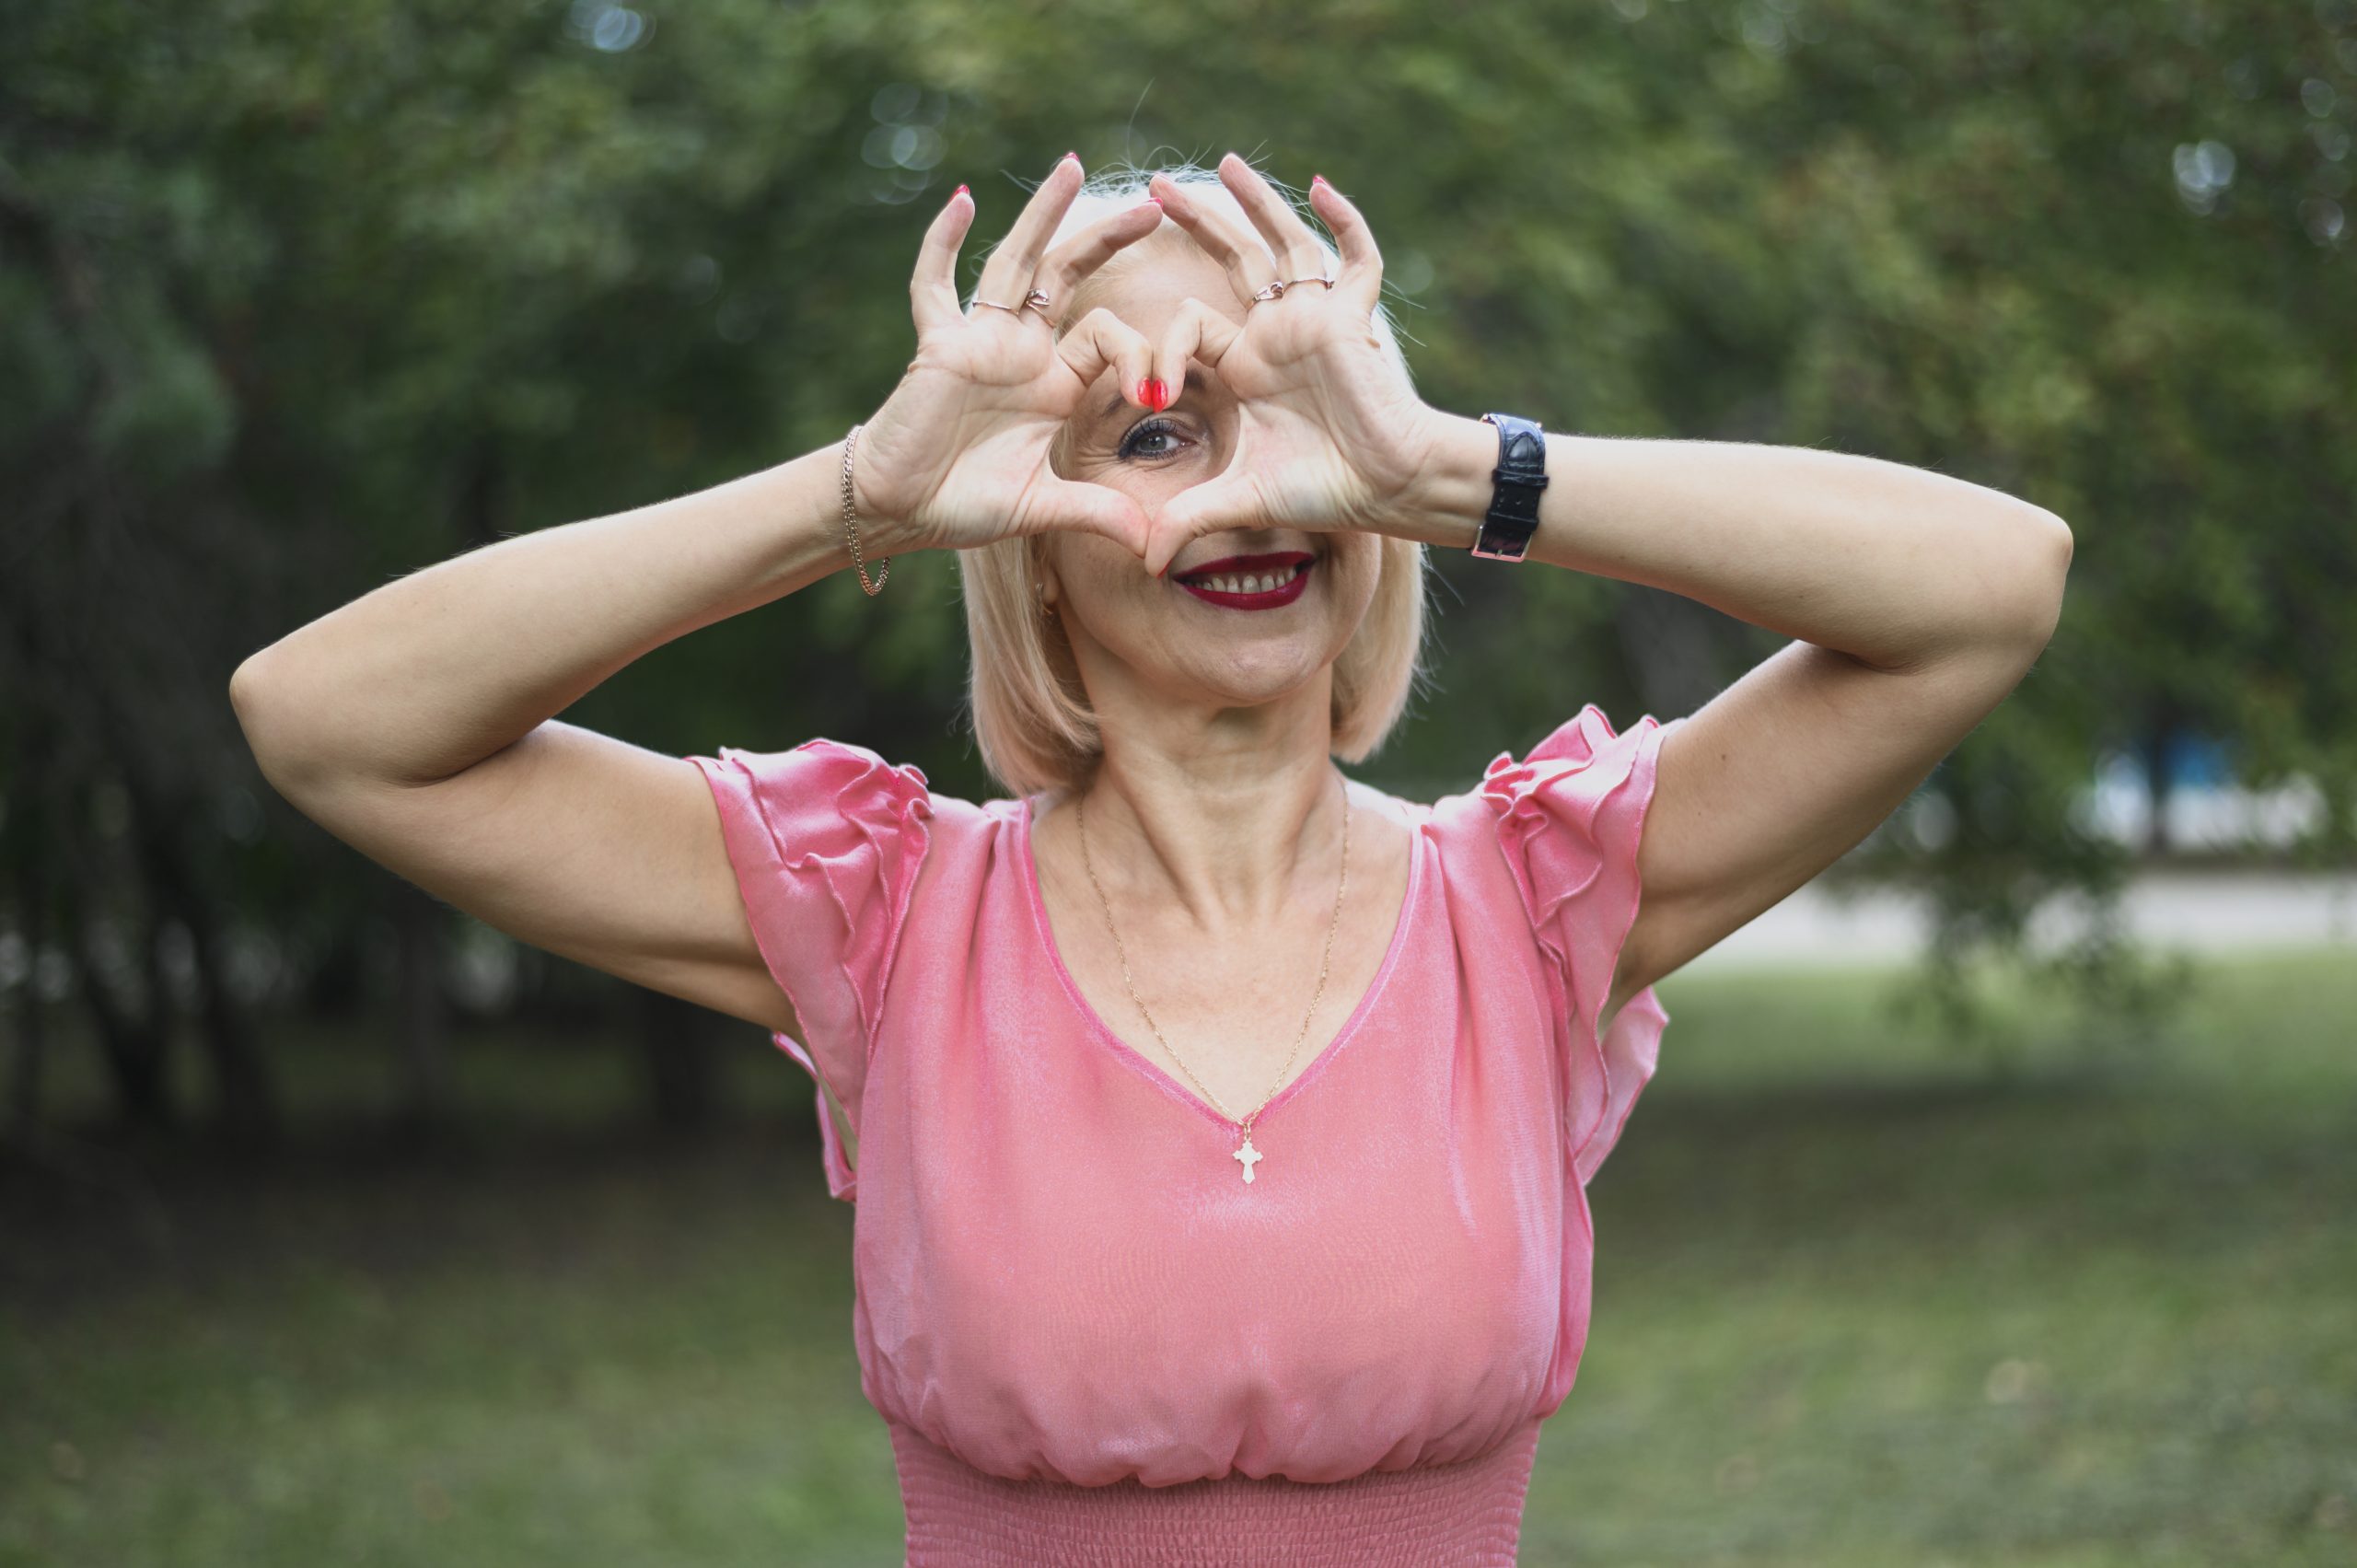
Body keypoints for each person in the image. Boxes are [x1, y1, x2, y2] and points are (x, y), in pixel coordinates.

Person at [229, 150, 2073, 1565]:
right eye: (1154, 436)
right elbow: (329, 719)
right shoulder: (881, 917)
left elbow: (1988, 590)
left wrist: (1444, 469)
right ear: (1026, 529)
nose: (1239, 496)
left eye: (1288, 425)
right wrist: (857, 499)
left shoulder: (1533, 897)